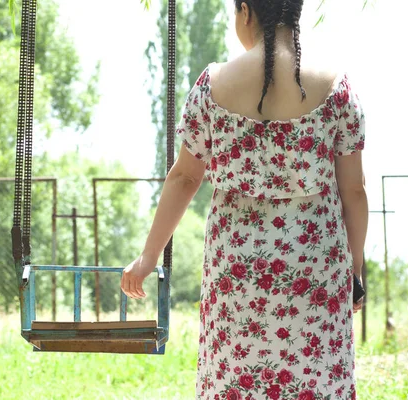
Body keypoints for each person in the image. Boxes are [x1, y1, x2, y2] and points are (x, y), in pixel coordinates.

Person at [121, 0, 368, 398]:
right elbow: (353, 191)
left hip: (237, 276)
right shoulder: (336, 86)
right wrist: (354, 272)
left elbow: (184, 177)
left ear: (245, 10)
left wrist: (149, 256)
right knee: (315, 379)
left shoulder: (213, 84)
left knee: (236, 379)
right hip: (315, 272)